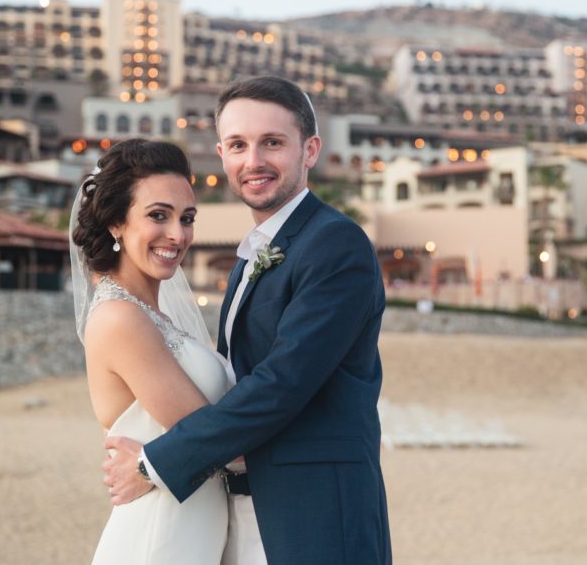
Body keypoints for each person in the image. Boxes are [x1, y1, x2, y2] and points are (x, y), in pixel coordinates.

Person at [104, 76, 392, 564]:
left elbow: (283, 384)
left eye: (272, 143)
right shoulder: (250, 259)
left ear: (310, 150)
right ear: (222, 154)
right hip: (242, 514)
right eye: (238, 145)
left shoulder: (335, 244)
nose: (253, 161)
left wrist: (155, 464)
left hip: (314, 513)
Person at [70, 139, 231, 563]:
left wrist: (149, 465)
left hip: (191, 532)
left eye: (187, 218)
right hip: (158, 540)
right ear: (117, 223)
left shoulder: (155, 317)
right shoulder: (119, 318)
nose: (177, 235)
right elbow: (209, 435)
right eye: (158, 215)